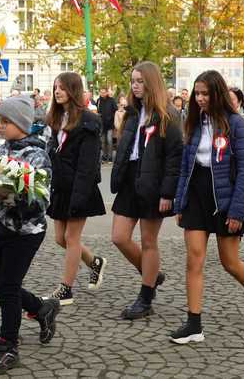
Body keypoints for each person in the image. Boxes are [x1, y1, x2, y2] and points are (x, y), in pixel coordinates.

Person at [170, 70, 244, 345]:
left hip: (224, 199)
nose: (200, 99)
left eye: (205, 94)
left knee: (229, 262)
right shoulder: (192, 122)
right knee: (194, 259)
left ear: (217, 94)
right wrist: (180, 202)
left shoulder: (236, 124)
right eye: (197, 93)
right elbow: (184, 168)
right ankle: (193, 324)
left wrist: (237, 211)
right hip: (195, 196)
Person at [0, 96, 60, 375]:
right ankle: (42, 308)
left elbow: (40, 202)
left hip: (26, 232)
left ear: (21, 124)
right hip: (1, 227)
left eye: (5, 121)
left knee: (8, 288)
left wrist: (10, 192)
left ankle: (8, 347)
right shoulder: (2, 148)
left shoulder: (37, 155)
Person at [110, 61, 183, 319]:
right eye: (133, 81)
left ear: (152, 83)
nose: (135, 86)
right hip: (130, 180)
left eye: (140, 81)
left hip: (154, 184)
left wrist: (167, 193)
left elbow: (175, 157)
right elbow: (124, 150)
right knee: (119, 237)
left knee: (149, 241)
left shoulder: (168, 115)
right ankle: (152, 274)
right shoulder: (131, 113)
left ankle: (146, 297)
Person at [45, 72, 107, 306]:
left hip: (80, 188)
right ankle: (95, 262)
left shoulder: (89, 121)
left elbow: (88, 164)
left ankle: (66, 289)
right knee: (60, 238)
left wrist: (79, 196)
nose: (57, 91)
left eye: (61, 87)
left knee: (72, 237)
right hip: (60, 186)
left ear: (73, 89)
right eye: (55, 87)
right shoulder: (56, 117)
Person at [97, 87, 118, 163]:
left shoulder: (111, 100)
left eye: (103, 92)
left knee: (109, 140)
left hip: (110, 124)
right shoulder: (98, 101)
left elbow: (115, 110)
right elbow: (97, 110)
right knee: (103, 141)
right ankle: (104, 156)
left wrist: (111, 118)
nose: (102, 94)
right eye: (101, 92)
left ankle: (110, 157)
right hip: (102, 124)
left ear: (106, 93)